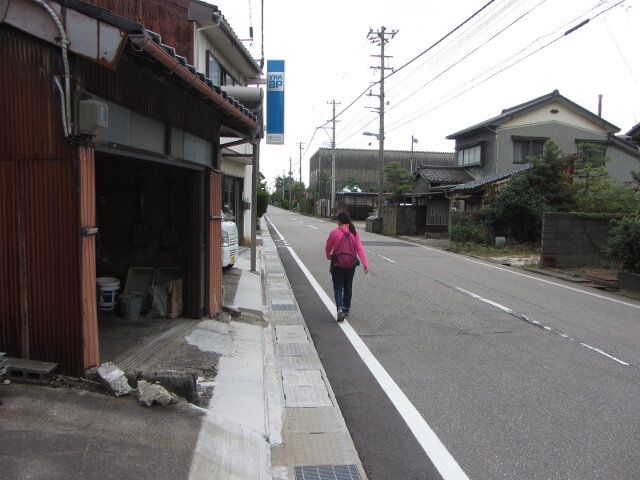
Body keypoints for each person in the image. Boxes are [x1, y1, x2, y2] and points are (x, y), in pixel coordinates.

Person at [325, 211, 369, 322]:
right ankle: (347, 308)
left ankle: (340, 308)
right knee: (348, 286)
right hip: (351, 265)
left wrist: (328, 256)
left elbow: (328, 247)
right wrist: (365, 264)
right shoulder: (354, 233)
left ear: (339, 221)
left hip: (337, 264)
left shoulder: (334, 232)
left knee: (338, 287)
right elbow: (360, 249)